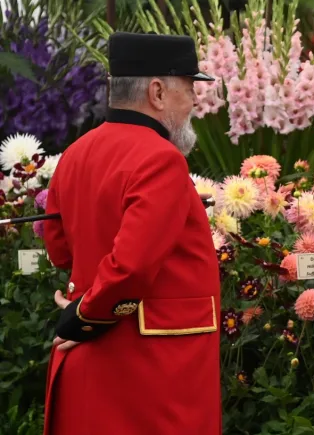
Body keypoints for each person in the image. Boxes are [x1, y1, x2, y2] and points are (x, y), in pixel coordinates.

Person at [42, 32, 221, 435]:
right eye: (190, 87)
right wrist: (84, 320)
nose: (195, 100)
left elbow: (58, 248)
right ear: (157, 91)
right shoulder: (161, 159)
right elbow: (132, 266)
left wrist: (85, 307)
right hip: (146, 373)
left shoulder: (75, 153)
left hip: (90, 366)